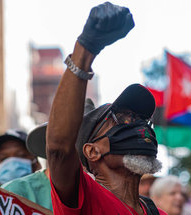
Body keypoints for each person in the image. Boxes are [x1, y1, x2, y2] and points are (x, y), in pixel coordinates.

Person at [45, 2, 166, 214]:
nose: (137, 125)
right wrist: (85, 49)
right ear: (92, 151)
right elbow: (59, 150)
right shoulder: (83, 197)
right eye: (122, 118)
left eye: (141, 119)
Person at [0, 123, 53, 211]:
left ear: (37, 163)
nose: (12, 164)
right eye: (3, 158)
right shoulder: (8, 193)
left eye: (21, 155)